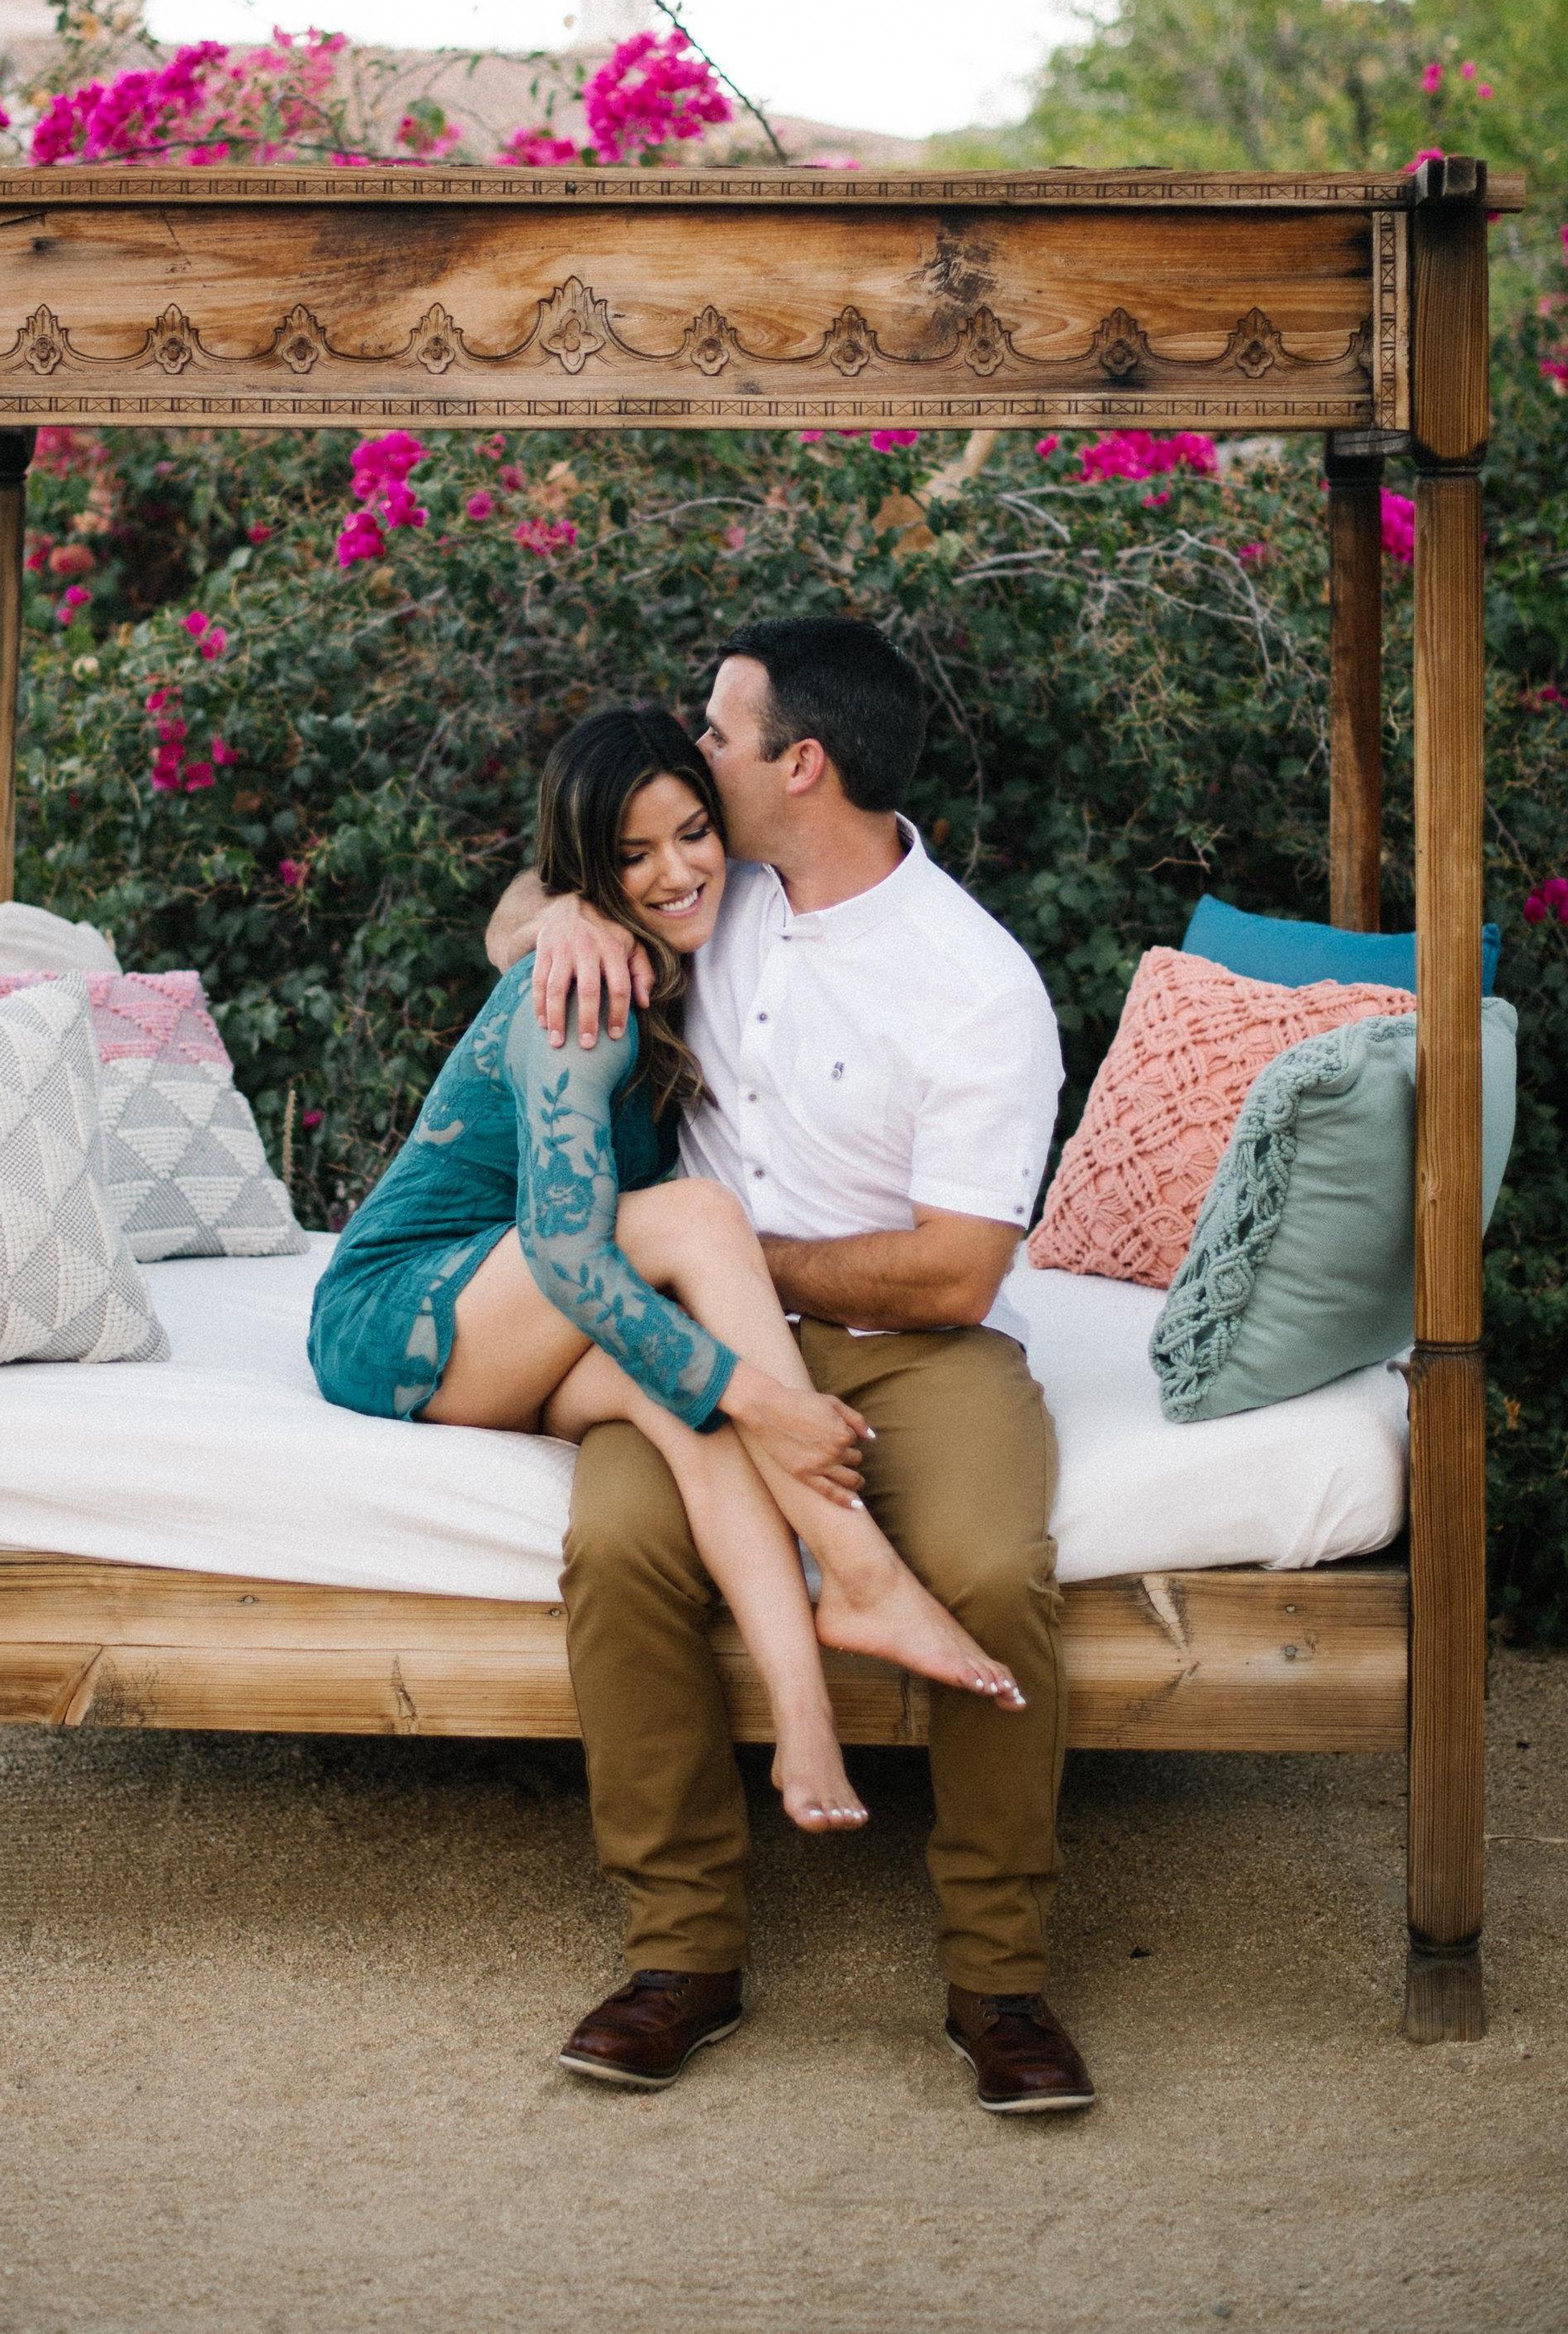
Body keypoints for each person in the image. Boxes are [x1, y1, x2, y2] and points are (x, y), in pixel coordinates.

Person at [487, 617, 1096, 2117]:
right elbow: (547, 884)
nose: (697, 751)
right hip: (703, 1341)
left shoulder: (977, 981)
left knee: (992, 1571)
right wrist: (553, 922)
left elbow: (958, 1270)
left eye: (720, 729)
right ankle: (680, 1953)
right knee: (621, 1544)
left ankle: (1000, 1978)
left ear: (801, 763)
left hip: (918, 1349)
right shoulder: (717, 888)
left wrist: (748, 1262)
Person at [306, 703, 1025, 1867]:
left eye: (694, 834)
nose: (677, 872)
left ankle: (804, 1718)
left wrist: (727, 1400)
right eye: (632, 857)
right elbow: (566, 1255)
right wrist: (767, 1398)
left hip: (512, 1311)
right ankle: (862, 1568)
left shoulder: (697, 935)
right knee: (698, 1225)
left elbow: (538, 902)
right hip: (405, 1308)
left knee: (679, 1406)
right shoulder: (583, 1002)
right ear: (592, 870)